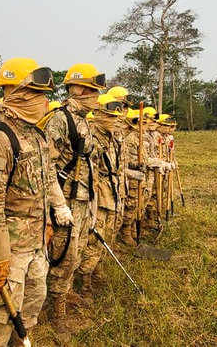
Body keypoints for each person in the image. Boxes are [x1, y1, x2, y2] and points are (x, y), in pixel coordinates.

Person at [0, 58, 62, 347]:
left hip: (37, 242)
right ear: (14, 92)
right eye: (35, 93)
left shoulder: (37, 135)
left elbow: (46, 181)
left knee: (34, 301)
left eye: (43, 95)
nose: (41, 101)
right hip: (11, 249)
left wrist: (50, 221)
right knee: (2, 314)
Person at [42, 63, 105, 341]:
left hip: (81, 199)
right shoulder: (60, 119)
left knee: (76, 252)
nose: (94, 96)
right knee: (64, 256)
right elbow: (48, 167)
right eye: (90, 90)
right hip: (64, 201)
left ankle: (64, 295)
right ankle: (57, 310)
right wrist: (57, 204)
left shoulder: (84, 121)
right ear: (76, 89)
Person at [76, 94, 127, 305]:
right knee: (94, 240)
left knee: (108, 233)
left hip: (111, 193)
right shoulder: (92, 138)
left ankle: (98, 270)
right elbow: (89, 172)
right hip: (97, 195)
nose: (115, 120)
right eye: (110, 116)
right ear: (97, 114)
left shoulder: (112, 137)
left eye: (117, 117)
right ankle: (85, 280)